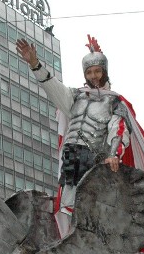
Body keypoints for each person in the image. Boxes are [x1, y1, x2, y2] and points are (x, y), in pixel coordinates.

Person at [16, 36, 128, 235]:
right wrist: (35, 64)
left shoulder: (114, 101)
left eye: (97, 71)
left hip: (94, 159)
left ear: (104, 72)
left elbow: (118, 129)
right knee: (67, 207)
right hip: (71, 158)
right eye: (89, 72)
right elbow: (52, 86)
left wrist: (114, 154)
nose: (93, 76)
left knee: (91, 210)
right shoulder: (75, 97)